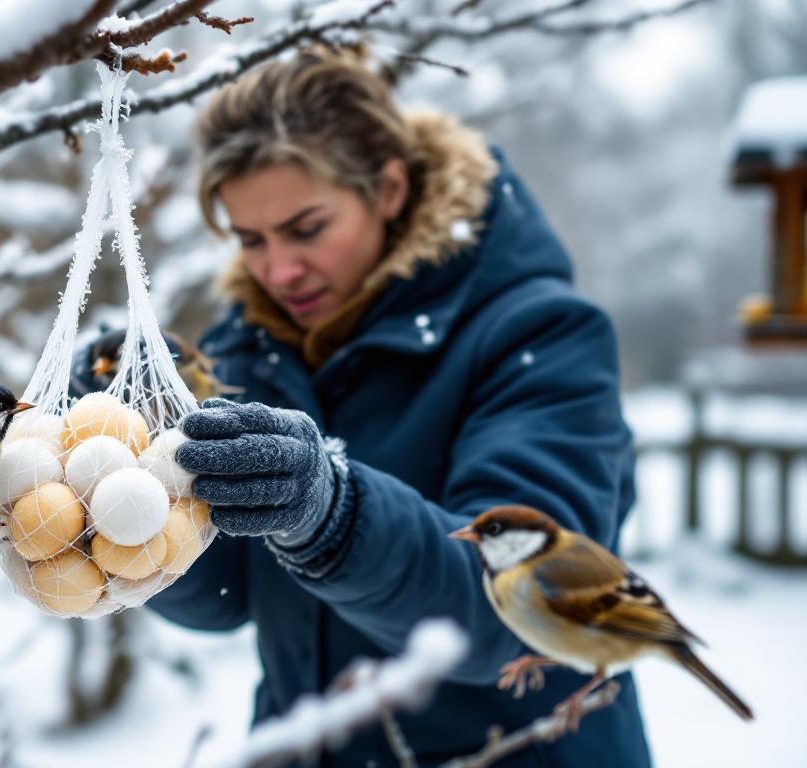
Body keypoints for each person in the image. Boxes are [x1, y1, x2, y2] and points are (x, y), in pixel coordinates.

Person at [88, 46, 652, 766]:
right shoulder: (247, 351)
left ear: (388, 189)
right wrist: (132, 493)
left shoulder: (540, 335)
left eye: (307, 229)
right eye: (250, 239)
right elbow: (225, 596)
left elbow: (509, 607)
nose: (278, 269)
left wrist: (333, 513)